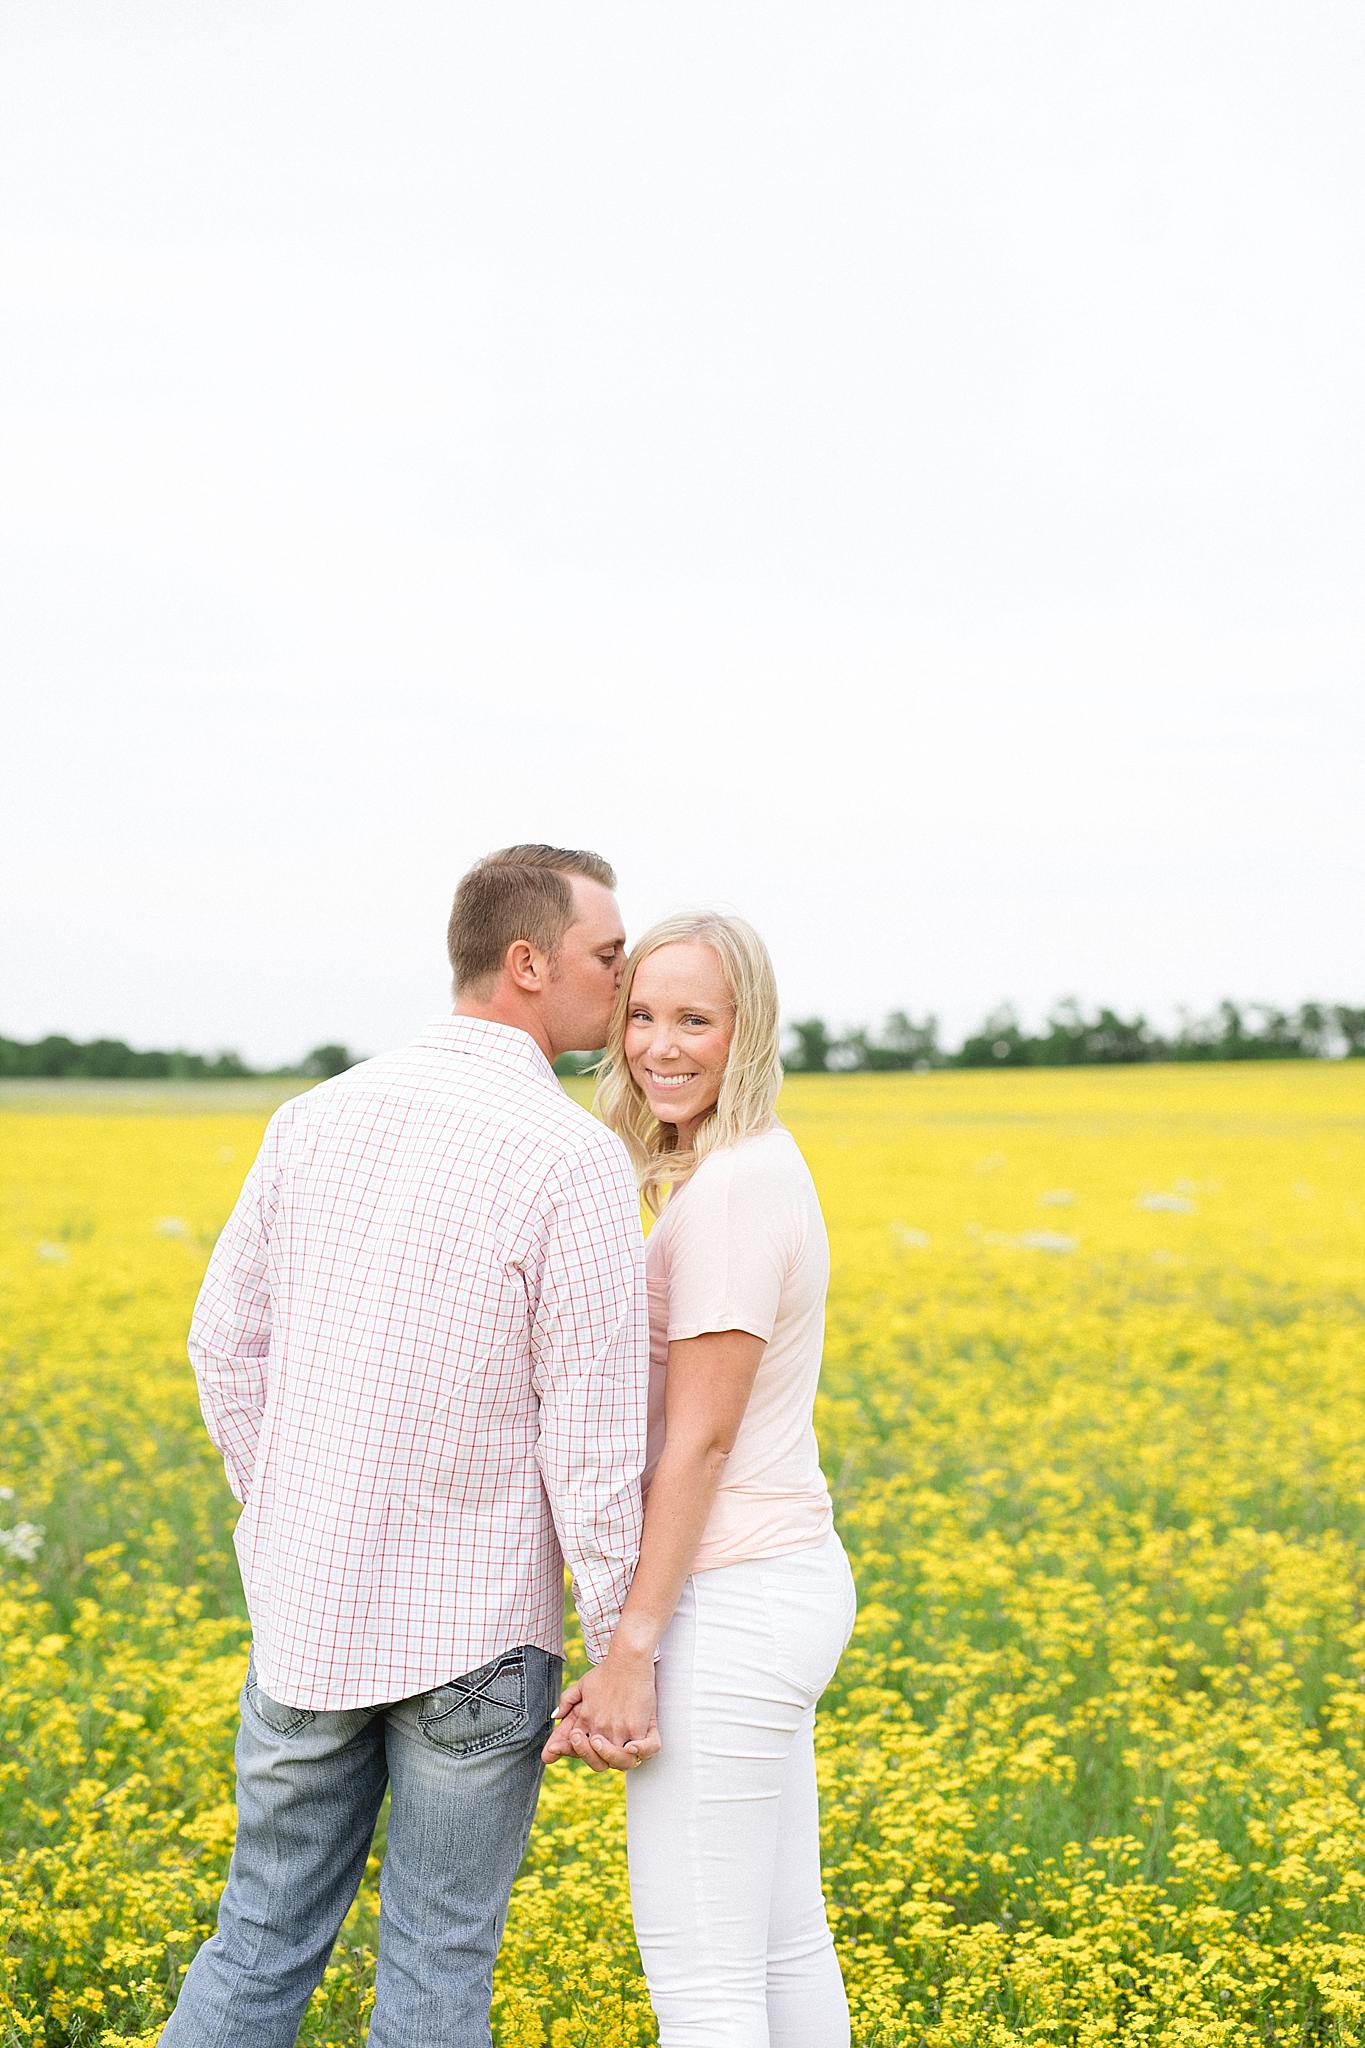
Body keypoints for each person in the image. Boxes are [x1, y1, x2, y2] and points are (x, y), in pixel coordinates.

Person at [161, 844, 658, 2048]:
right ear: (527, 963)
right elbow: (591, 1439)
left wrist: (284, 1512)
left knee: (258, 1937)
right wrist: (619, 1643)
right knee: (438, 1964)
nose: (625, 974)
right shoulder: (570, 1151)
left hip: (307, 1614)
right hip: (477, 1638)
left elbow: (222, 1346)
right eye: (607, 953)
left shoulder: (313, 1116)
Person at [544, 913, 857, 2047]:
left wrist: (631, 1650)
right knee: (780, 1948)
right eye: (640, 1013)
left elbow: (701, 1441)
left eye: (695, 1019)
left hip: (728, 1603)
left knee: (704, 1986)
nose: (658, 1044)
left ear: (747, 1030)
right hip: (774, 1584)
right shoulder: (745, 1166)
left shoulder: (726, 1193)